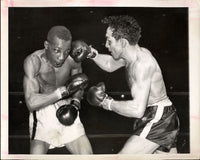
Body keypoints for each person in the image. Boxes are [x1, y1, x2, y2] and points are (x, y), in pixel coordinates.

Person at [77, 15, 180, 154]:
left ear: (123, 43)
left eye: (109, 41)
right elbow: (109, 64)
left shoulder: (142, 64)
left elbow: (137, 110)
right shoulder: (128, 57)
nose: (106, 45)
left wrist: (107, 103)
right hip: (156, 115)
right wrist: (92, 55)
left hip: (158, 118)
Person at [23, 26, 93, 154]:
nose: (62, 57)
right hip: (42, 112)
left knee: (87, 155)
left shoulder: (72, 60)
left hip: (67, 106)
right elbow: (31, 102)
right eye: (57, 50)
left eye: (66, 51)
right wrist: (63, 91)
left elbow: (79, 84)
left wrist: (75, 103)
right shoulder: (34, 61)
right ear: (46, 45)